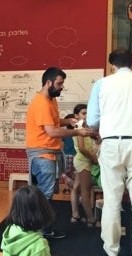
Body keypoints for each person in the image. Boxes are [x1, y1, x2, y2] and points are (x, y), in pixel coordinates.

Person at [86, 47, 132, 256]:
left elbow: (91, 121)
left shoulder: (102, 84)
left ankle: (111, 248)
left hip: (111, 145)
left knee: (111, 200)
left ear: (112, 66)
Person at [25, 67, 93, 238]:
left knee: (44, 193)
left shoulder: (50, 100)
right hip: (43, 154)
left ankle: (39, 229)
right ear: (48, 83)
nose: (62, 86)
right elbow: (52, 132)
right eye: (59, 83)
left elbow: (53, 124)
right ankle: (44, 231)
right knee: (45, 195)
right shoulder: (41, 103)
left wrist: (67, 121)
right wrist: (77, 132)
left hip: (49, 153)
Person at [70, 104, 100, 226]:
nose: (86, 115)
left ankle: (75, 215)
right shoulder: (78, 127)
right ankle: (90, 219)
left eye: (88, 113)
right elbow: (82, 148)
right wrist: (93, 158)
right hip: (83, 161)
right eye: (83, 113)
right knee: (85, 191)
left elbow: (95, 140)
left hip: (85, 160)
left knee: (76, 187)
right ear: (76, 116)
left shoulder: (87, 127)